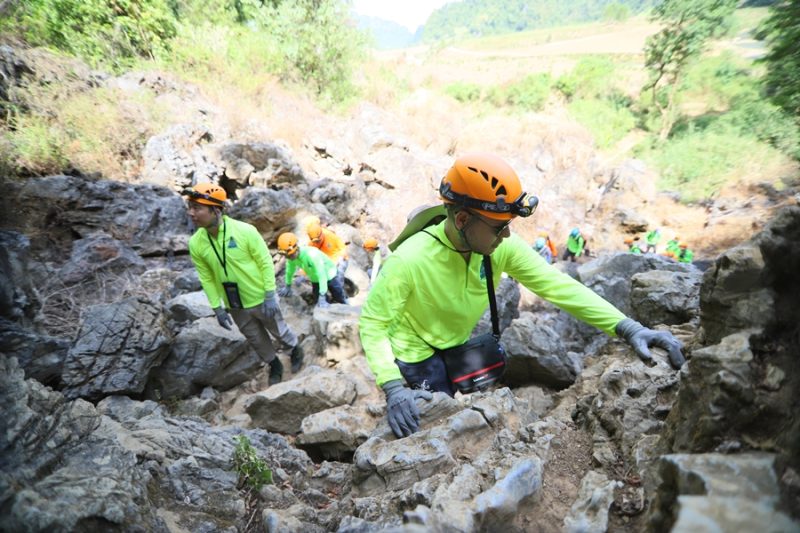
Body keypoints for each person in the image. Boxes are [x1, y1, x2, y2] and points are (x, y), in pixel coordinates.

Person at [359, 153, 686, 438]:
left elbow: (558, 286)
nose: (507, 235)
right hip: (414, 353)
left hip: (455, 342)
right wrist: (393, 388)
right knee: (431, 416)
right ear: (462, 219)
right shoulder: (408, 261)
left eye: (509, 224)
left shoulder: (500, 247)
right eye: (498, 226)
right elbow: (373, 325)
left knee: (454, 398)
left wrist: (629, 328)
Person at [184, 183, 304, 382]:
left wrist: (269, 294)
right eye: (190, 207)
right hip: (235, 304)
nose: (191, 213)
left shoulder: (244, 231)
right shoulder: (196, 242)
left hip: (260, 296)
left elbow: (265, 262)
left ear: (215, 210)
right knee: (255, 338)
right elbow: (206, 277)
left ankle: (294, 349)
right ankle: (274, 364)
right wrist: (217, 308)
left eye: (197, 208)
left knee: (278, 330)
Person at [277, 232, 348, 306]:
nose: (289, 258)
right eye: (286, 256)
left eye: (290, 255)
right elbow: (289, 271)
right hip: (315, 279)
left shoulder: (312, 255)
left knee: (338, 295)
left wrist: (322, 296)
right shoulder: (291, 258)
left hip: (330, 274)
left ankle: (345, 305)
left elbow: (322, 275)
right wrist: (288, 285)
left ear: (296, 248)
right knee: (318, 301)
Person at [307, 221, 349, 298]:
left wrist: (338, 260)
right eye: (314, 241)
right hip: (326, 263)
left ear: (321, 234)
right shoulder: (311, 244)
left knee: (337, 277)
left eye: (318, 241)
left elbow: (342, 248)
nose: (317, 243)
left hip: (339, 259)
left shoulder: (330, 235)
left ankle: (342, 297)